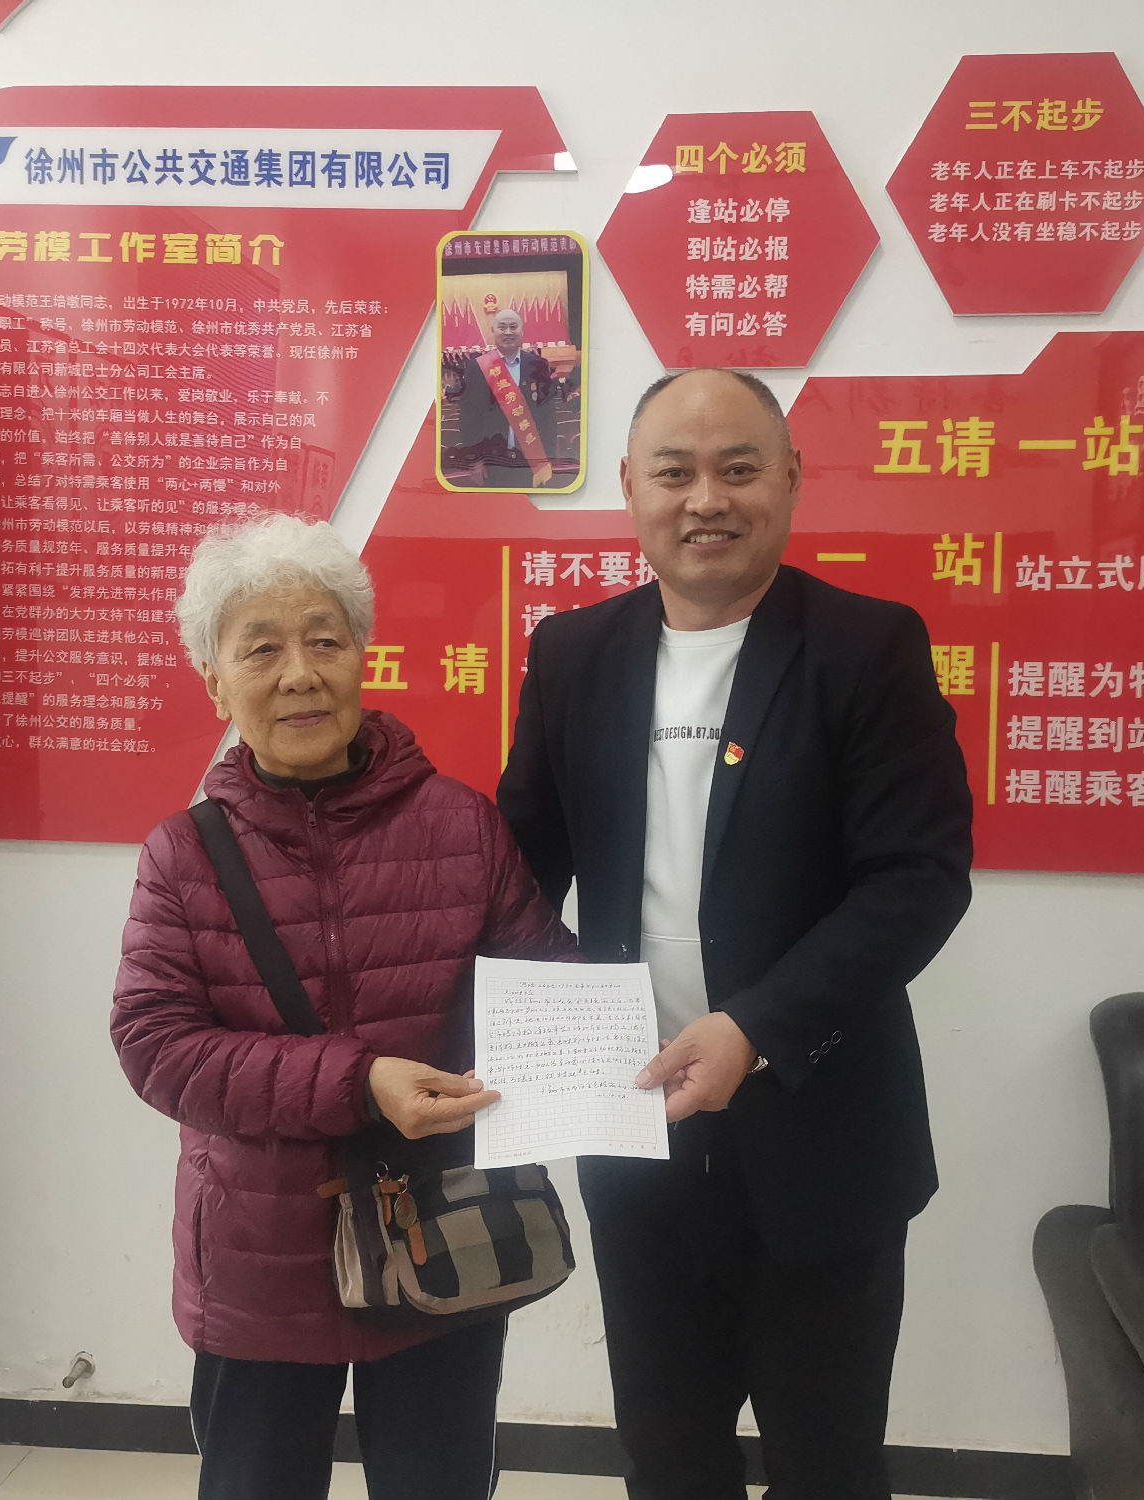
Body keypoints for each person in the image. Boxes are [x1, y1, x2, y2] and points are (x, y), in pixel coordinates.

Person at [497, 368, 974, 1499]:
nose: (705, 498)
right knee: (667, 1459)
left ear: (791, 480)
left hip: (823, 1135)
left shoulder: (866, 648)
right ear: (630, 486)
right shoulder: (573, 654)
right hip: (637, 1129)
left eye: (738, 468)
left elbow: (916, 881)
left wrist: (755, 1028)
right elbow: (517, 869)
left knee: (826, 1463)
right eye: (675, 472)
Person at [113, 513, 579, 1500]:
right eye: (262, 649)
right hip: (258, 1256)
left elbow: (544, 983)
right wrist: (361, 1082)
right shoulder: (182, 855)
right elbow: (156, 1046)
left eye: (324, 640)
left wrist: (623, 1040)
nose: (299, 674)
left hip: (438, 1230)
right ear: (214, 681)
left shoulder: (460, 825)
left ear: (362, 656)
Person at [446, 307, 560, 487]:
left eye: (513, 327)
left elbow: (548, 417)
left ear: (522, 331)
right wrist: (474, 460)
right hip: (492, 462)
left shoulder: (538, 364)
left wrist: (548, 459)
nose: (508, 332)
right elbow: (469, 418)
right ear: (493, 331)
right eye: (502, 327)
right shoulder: (477, 367)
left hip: (530, 462)